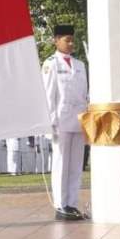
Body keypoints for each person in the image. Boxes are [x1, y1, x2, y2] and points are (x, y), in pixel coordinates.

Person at [42, 24, 88, 221]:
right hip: (60, 120)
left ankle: (72, 202)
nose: (70, 43)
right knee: (61, 163)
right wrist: (49, 123)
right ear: (56, 40)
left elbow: (85, 94)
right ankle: (61, 204)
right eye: (66, 40)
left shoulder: (80, 65)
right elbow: (48, 94)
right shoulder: (50, 63)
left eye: (72, 39)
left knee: (76, 164)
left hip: (78, 120)